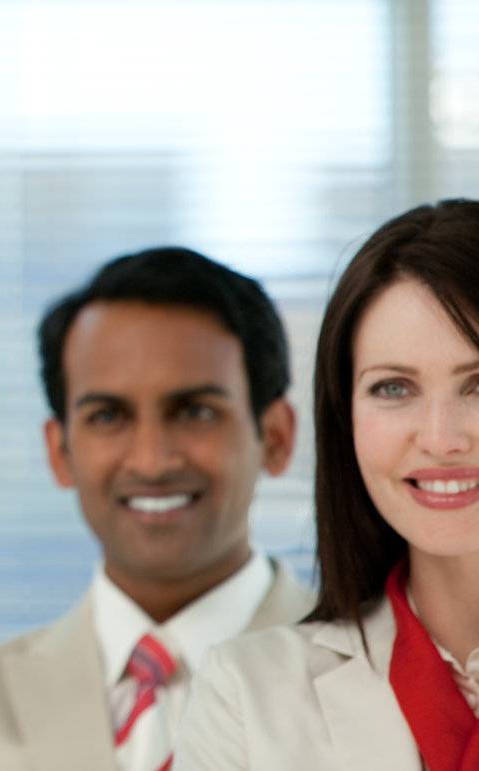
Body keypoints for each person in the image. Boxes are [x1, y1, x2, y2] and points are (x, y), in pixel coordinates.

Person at [0, 247, 314, 771]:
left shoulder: (376, 675)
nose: (152, 461)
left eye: (196, 411)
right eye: (108, 416)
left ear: (275, 437)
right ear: (59, 451)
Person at [177, 199, 479, 770]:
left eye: (478, 383)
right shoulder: (247, 696)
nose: (442, 439)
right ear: (346, 419)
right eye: (393, 388)